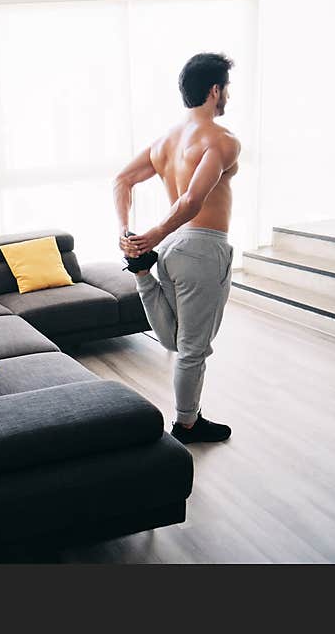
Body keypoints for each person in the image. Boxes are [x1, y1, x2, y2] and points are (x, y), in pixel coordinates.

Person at [114, 52, 240, 444]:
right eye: (227, 89)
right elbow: (191, 201)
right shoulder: (222, 140)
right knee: (193, 348)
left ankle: (141, 276)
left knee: (176, 340)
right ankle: (187, 423)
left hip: (170, 250)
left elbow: (122, 179)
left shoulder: (165, 141)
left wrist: (126, 230)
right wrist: (149, 234)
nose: (228, 97)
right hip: (201, 246)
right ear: (215, 90)